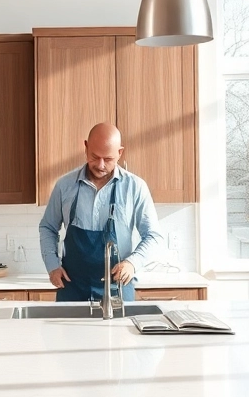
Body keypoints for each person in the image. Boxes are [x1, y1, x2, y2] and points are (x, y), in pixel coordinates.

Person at [38, 123, 163, 303]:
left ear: (120, 153)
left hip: (118, 289)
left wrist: (132, 263)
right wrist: (52, 265)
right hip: (72, 288)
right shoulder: (64, 186)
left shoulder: (135, 187)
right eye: (95, 157)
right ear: (86, 147)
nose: (100, 165)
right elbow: (48, 227)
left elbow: (153, 235)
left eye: (108, 159)